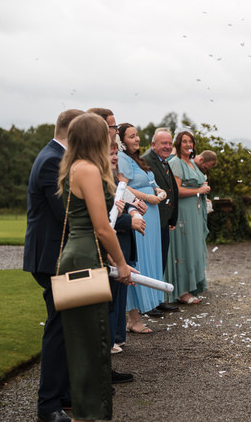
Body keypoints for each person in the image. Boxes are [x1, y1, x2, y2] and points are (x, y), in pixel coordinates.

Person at [55, 112, 133, 421]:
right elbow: (102, 228)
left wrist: (117, 262)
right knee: (92, 343)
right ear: (96, 138)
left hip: (81, 255)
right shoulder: (87, 170)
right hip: (86, 258)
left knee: (86, 343)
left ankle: (86, 414)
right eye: (108, 134)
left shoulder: (75, 167)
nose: (112, 138)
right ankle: (89, 415)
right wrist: (123, 264)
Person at [24, 109, 83, 422]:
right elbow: (66, 215)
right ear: (73, 131)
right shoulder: (52, 160)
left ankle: (64, 393)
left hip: (63, 255)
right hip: (52, 257)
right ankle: (47, 406)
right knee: (58, 328)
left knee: (69, 325)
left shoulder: (58, 158)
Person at [117, 123, 164, 334]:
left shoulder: (137, 159)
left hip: (151, 215)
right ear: (122, 140)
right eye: (132, 136)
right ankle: (133, 318)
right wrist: (146, 197)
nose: (137, 139)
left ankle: (136, 316)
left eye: (137, 136)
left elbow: (150, 182)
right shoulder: (123, 160)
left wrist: (158, 190)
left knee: (148, 263)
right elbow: (122, 187)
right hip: (140, 212)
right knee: (138, 265)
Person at [107, 139, 144, 354]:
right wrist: (129, 219)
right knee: (110, 295)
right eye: (112, 153)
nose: (116, 157)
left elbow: (123, 200)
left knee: (119, 296)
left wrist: (132, 210)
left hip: (122, 238)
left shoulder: (114, 178)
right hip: (113, 239)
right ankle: (109, 340)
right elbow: (103, 217)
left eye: (116, 153)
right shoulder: (98, 179)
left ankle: (117, 337)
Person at [166, 131, 212, 304]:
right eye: (184, 141)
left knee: (193, 247)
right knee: (184, 248)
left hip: (195, 211)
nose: (188, 144)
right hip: (183, 213)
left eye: (190, 141)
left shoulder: (191, 162)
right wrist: (198, 191)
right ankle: (182, 291)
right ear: (178, 144)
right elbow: (175, 190)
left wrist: (202, 190)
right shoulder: (176, 163)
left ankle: (193, 285)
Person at [141, 127, 180, 314]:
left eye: (169, 143)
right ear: (153, 144)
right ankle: (148, 304)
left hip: (164, 219)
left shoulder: (164, 161)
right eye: (163, 143)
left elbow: (171, 189)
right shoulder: (146, 161)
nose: (167, 146)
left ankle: (157, 299)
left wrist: (173, 217)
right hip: (153, 218)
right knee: (153, 260)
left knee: (161, 260)